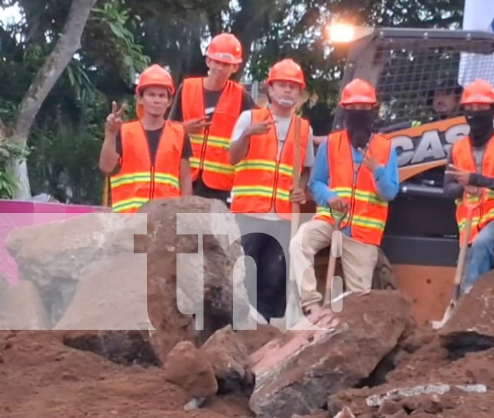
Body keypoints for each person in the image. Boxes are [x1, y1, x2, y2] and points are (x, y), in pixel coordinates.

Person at [289, 78, 399, 316]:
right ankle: (311, 306)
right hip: (330, 220)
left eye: (363, 110)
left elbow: (390, 192)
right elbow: (315, 183)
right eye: (353, 110)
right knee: (299, 244)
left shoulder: (385, 148)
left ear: (374, 111)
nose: (358, 115)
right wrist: (330, 197)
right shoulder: (331, 144)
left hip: (362, 232)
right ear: (345, 112)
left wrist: (377, 170)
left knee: (360, 298)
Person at [228, 58, 315, 322]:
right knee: (242, 272)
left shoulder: (304, 128)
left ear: (299, 93)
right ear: (270, 89)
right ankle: (236, 324)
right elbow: (233, 157)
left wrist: (302, 190)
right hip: (249, 211)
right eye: (282, 85)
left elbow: (307, 168)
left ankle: (262, 327)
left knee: (272, 277)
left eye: (293, 86)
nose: (287, 91)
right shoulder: (249, 118)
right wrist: (247, 135)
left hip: (283, 216)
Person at [443, 79, 494, 294]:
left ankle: (467, 309)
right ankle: (461, 309)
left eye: (480, 108)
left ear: (492, 110)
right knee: (468, 259)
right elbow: (448, 189)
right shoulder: (457, 149)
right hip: (470, 224)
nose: (475, 113)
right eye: (470, 108)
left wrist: (475, 180)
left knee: (482, 246)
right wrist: (464, 188)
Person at [168, 33, 258, 204]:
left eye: (226, 64)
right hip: (186, 178)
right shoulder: (187, 88)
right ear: (208, 61)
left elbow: (262, 123)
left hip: (221, 187)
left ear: (235, 67)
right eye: (217, 62)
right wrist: (184, 128)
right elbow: (167, 129)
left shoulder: (241, 96)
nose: (220, 68)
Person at [99, 64, 193, 213]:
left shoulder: (179, 134)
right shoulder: (124, 132)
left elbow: (185, 180)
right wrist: (110, 133)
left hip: (165, 221)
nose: (157, 100)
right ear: (140, 99)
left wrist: (187, 215)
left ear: (169, 102)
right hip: (129, 220)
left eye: (162, 96)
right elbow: (106, 167)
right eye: (151, 95)